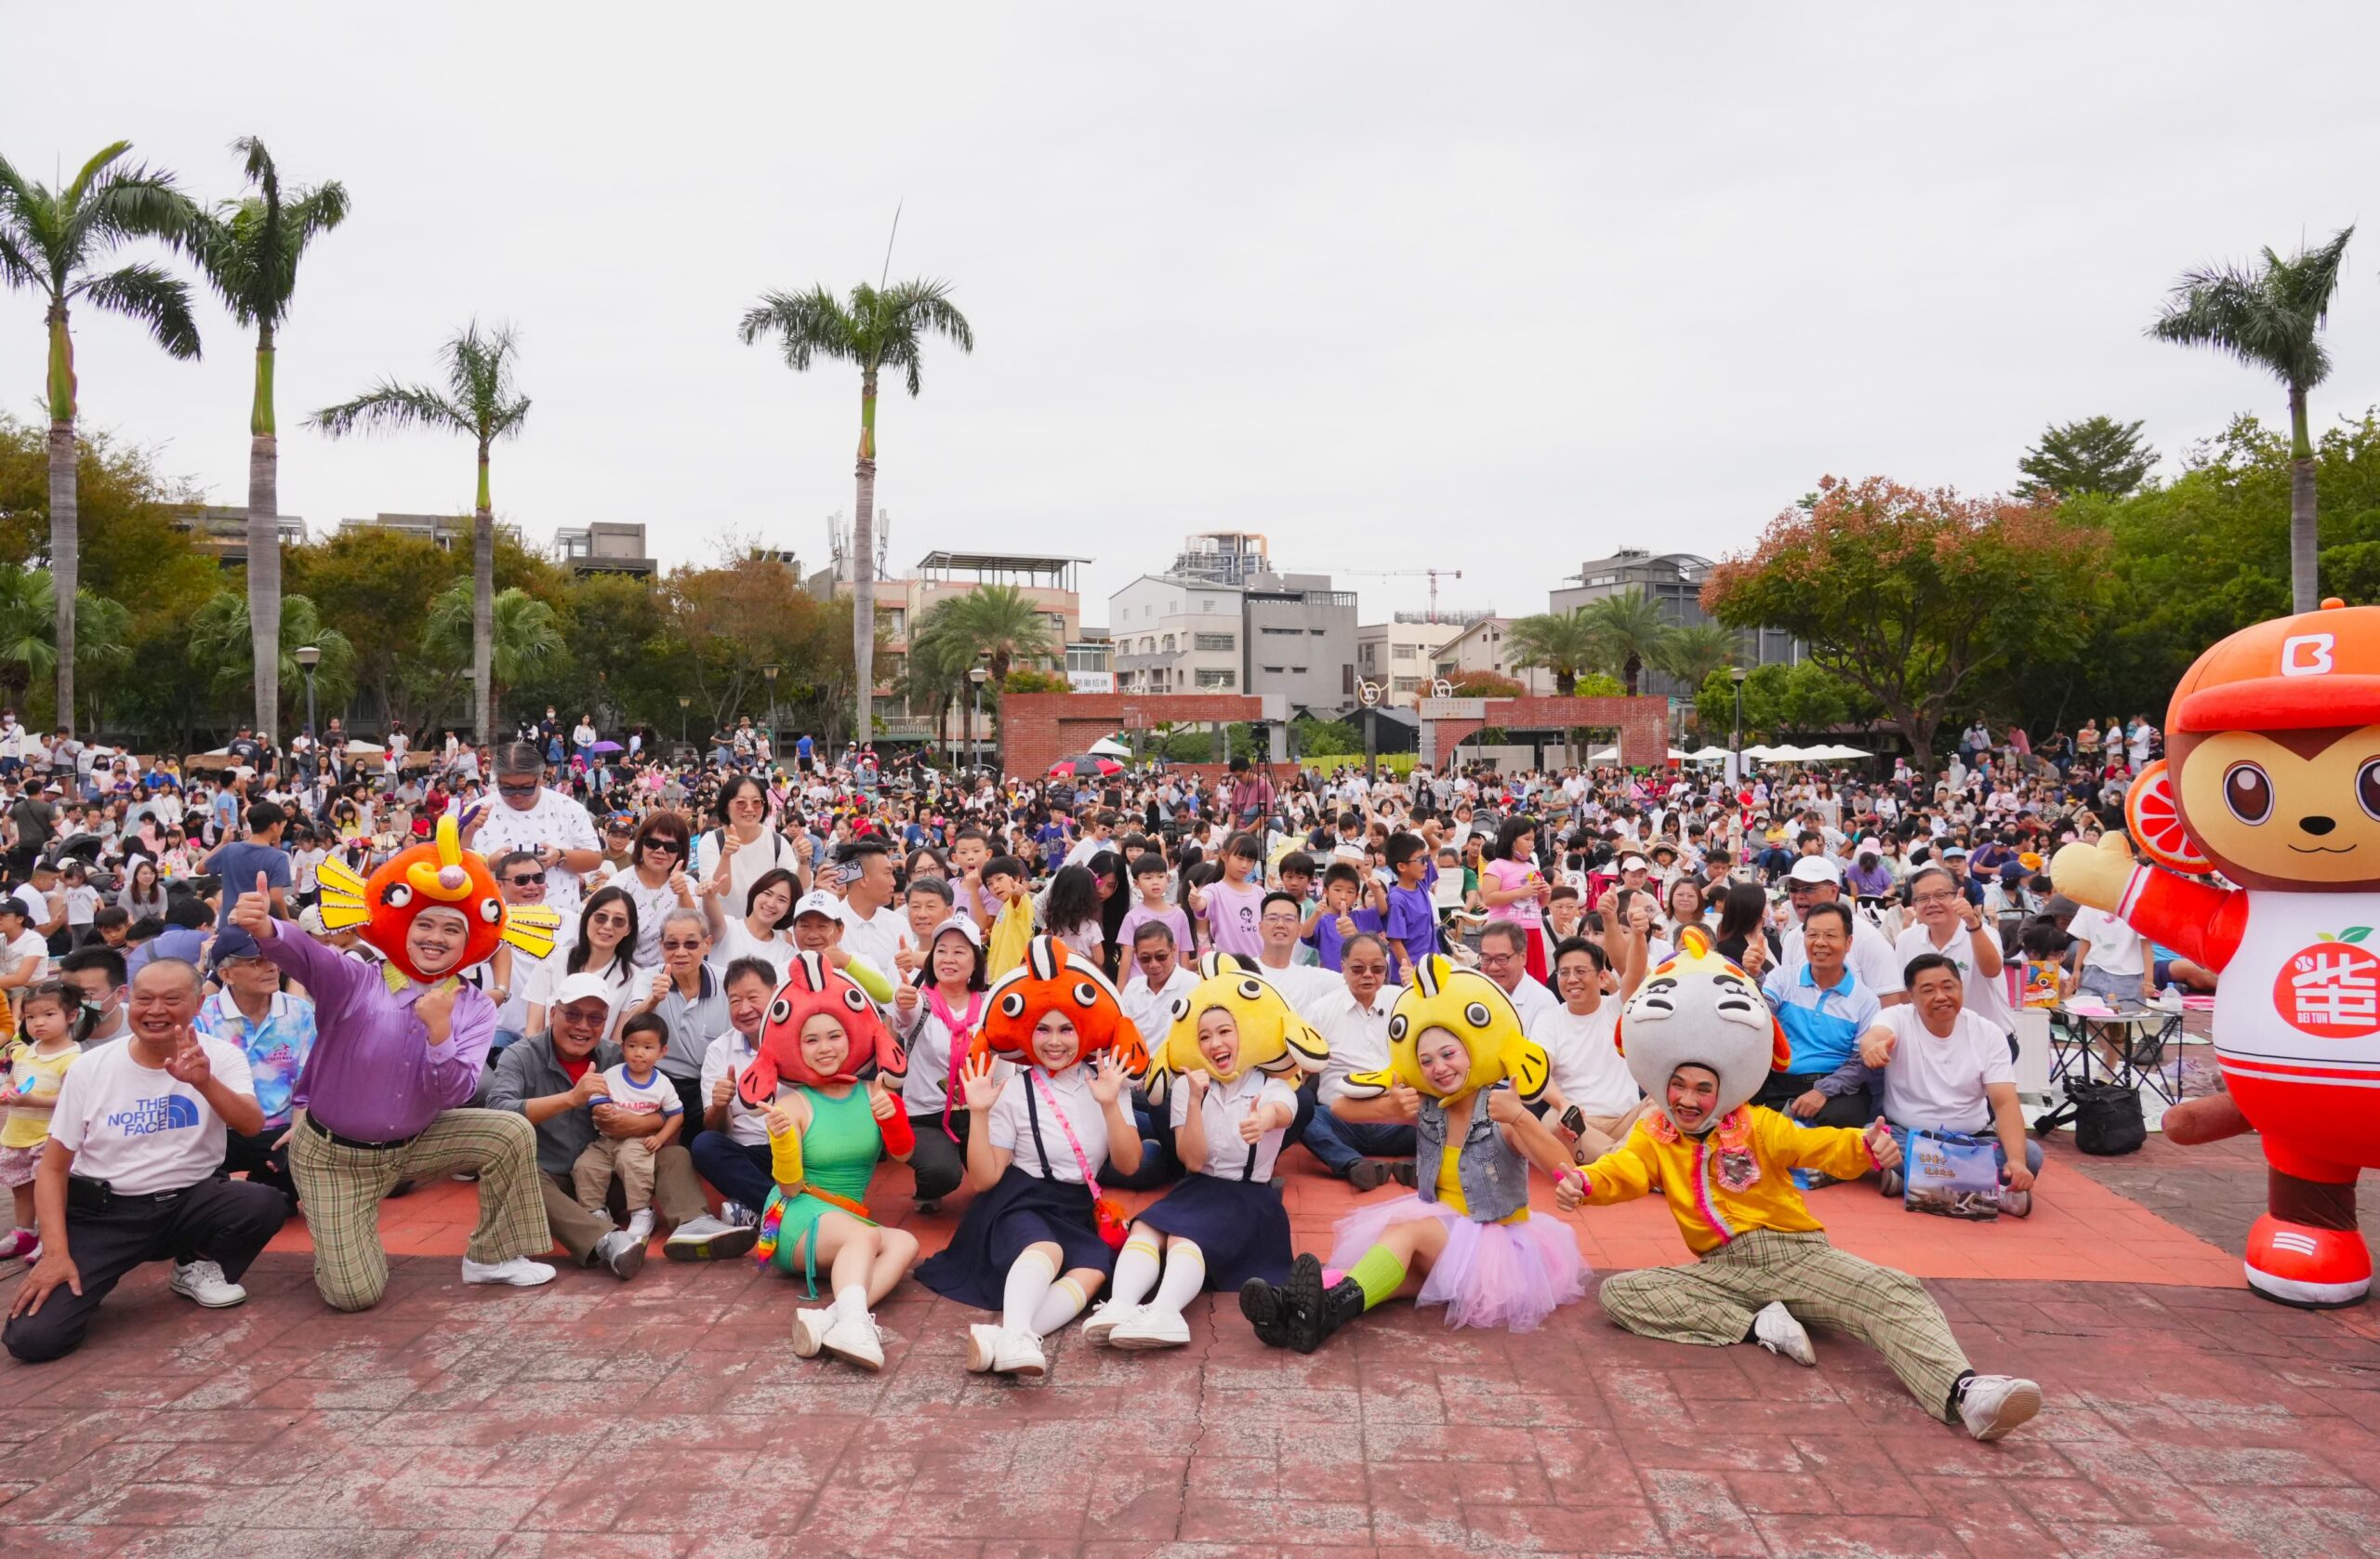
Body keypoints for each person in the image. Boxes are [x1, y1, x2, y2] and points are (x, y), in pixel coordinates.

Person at [1569, 929, 2043, 1442]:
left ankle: (1966, 1392)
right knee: (1622, 1292)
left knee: (1892, 1288)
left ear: (1722, 1088)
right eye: (1678, 1086)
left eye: (1703, 1088)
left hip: (1794, 1256)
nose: (1688, 1099)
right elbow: (1626, 1171)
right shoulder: (1655, 1131)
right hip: (1721, 1270)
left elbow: (1816, 1147)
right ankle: (1759, 1324)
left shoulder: (1759, 1124)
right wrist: (1586, 1183)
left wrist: (1865, 1147)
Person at [233, 817, 564, 1310]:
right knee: (354, 1296)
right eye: (424, 923)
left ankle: (492, 1257)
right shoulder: (355, 979)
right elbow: (306, 956)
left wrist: (439, 1035)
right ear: (402, 926)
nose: (436, 937)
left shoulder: (473, 1005)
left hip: (413, 1146)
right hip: (332, 1158)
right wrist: (267, 929)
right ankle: (344, 1232)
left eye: (453, 928)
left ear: (471, 940)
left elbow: (454, 1094)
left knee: (509, 1132)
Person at [1240, 956, 1586, 1351]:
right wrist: (1389, 1106)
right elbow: (1339, 1108)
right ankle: (1299, 1313)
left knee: (1403, 1232)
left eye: (1448, 1054)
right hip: (1443, 1235)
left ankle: (1311, 1306)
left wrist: (1522, 1117)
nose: (1438, 1067)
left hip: (1494, 1245)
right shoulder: (1429, 1105)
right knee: (1383, 1275)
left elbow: (1563, 1165)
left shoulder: (1499, 1108)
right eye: (1426, 1060)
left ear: (1472, 1049)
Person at [3, 959, 290, 1363]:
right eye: (145, 999)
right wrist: (55, 1253)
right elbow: (51, 1168)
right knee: (34, 1340)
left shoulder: (219, 1057)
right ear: (128, 1001)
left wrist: (204, 1082)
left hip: (189, 1203)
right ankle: (91, 1278)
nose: (156, 1011)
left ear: (196, 1005)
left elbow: (250, 1125)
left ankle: (195, 1265)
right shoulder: (90, 1067)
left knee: (263, 1202)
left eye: (172, 1000)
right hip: (106, 1215)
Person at [914, 937, 1147, 1380]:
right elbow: (984, 1180)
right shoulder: (1015, 1090)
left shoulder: (1108, 1081)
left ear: (1084, 1030)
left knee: (1095, 1270)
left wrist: (1110, 1104)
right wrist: (979, 1114)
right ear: (1026, 1034)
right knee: (1046, 1249)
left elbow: (1130, 1164)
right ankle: (1019, 1335)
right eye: (1043, 1029)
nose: (1054, 1042)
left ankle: (1010, 1336)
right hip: (1016, 1201)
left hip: (1076, 1206)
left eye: (1065, 1029)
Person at [1088, 971, 1305, 1351]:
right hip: (1198, 1188)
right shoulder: (1188, 1089)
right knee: (1146, 1229)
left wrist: (1264, 1120)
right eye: (1204, 1036)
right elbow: (1192, 1159)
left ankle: (1167, 1311)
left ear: (1243, 1034)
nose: (1215, 1043)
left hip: (1248, 1199)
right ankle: (1120, 1305)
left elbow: (1285, 1110)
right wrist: (1192, 1099)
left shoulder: (1271, 1085)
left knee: (1185, 1237)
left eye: (1225, 1032)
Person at [484, 973, 750, 1278]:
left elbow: (663, 1108)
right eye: (573, 1014)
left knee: (674, 1155)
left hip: (609, 1177)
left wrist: (639, 1123)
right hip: (552, 1185)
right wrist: (571, 1099)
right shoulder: (520, 1056)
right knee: (520, 1177)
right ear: (553, 1013)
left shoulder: (615, 1055)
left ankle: (693, 1224)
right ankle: (605, 1240)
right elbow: (498, 1112)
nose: (583, 1026)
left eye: (595, 1018)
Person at [745, 956, 922, 1372]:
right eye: (812, 1040)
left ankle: (832, 1318)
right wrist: (783, 1142)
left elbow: (904, 1156)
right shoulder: (792, 1105)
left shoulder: (874, 1092)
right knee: (862, 1240)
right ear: (797, 1048)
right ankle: (857, 1324)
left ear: (851, 1038)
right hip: (795, 1214)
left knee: (905, 1244)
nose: (825, 1048)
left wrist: (891, 1116)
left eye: (834, 1036)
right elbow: (788, 1188)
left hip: (846, 1219)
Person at [1861, 954, 2043, 1217]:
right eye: (1928, 990)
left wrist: (2016, 1161)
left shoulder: (1988, 1032)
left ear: (1961, 989)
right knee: (1873, 1138)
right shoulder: (1896, 1018)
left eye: (1948, 987)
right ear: (1911, 997)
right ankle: (1984, 1191)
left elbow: (2004, 1103)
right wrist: (1873, 1048)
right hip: (1909, 1136)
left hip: (1970, 1142)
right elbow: (1875, 1036)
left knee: (2031, 1155)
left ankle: (1911, 1181)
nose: (1941, 996)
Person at [197, 928, 315, 1208]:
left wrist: (299, 1131)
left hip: (280, 1129)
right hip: (219, 1131)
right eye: (256, 961)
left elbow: (307, 1082)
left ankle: (264, 1185)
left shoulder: (300, 1012)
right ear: (226, 975)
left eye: (273, 957)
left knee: (308, 1160)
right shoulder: (202, 1017)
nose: (271, 967)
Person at [895, 918, 994, 1213]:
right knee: (942, 1173)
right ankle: (929, 1187)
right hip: (928, 1116)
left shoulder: (989, 1005)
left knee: (998, 1183)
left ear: (976, 962)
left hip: (980, 1113)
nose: (948, 958)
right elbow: (903, 1014)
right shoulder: (919, 1003)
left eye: (959, 951)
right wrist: (901, 1000)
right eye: (941, 950)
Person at [1301, 932, 1412, 1190]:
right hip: (1342, 1119)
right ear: (1343, 968)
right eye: (1358, 968)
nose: (1368, 975)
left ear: (1386, 969)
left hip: (1395, 1119)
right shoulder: (1320, 1010)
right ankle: (1353, 1165)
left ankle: (1419, 1166)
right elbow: (1302, 1068)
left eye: (1377, 969)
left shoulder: (1403, 1002)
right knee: (1302, 1112)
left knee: (1438, 1112)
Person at [1759, 903, 1884, 1131]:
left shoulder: (1865, 1001)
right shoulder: (1782, 978)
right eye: (1813, 935)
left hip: (1835, 1087)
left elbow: (1859, 1064)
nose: (1820, 943)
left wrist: (1822, 1091)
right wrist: (1753, 976)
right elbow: (1761, 1014)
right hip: (1779, 1081)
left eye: (1830, 935)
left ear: (1848, 943)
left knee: (1842, 1120)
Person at [570, 1011, 684, 1242]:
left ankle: (642, 1210)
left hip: (638, 1139)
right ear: (623, 1047)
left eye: (648, 1047)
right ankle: (595, 1211)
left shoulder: (662, 1084)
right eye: (632, 1046)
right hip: (605, 1141)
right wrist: (599, 1109)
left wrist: (660, 1138)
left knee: (632, 1160)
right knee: (585, 1165)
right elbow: (596, 1100)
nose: (639, 1053)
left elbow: (677, 1115)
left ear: (662, 1051)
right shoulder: (612, 1075)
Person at [461, 745, 604, 925]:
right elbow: (454, 868)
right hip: (495, 925)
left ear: (541, 778)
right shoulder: (477, 811)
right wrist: (487, 862)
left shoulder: (568, 809)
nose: (517, 795)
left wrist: (560, 856)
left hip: (558, 926)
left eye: (526, 788)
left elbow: (594, 858)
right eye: (507, 788)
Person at [0, 982, 88, 1261]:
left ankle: (52, 1235)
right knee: (21, 1184)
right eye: (30, 1017)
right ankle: (25, 1231)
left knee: (49, 1187)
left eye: (48, 1015)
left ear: (71, 1015)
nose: (38, 1023)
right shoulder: (24, 1051)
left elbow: (71, 1098)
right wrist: (7, 1093)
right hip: (18, 1131)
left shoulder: (73, 1057)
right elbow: (14, 1081)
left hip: (49, 1135)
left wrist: (33, 1102)